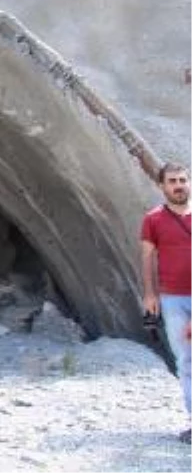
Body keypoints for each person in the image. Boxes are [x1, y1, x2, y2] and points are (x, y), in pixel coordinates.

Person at [141, 161, 192, 444]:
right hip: (173, 299)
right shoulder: (153, 219)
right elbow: (147, 257)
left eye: (183, 180)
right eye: (172, 181)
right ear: (162, 186)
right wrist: (150, 294)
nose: (178, 185)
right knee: (186, 360)